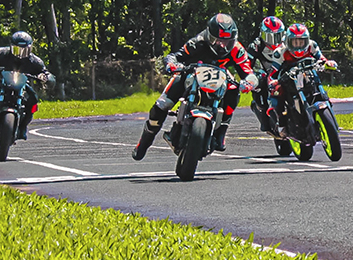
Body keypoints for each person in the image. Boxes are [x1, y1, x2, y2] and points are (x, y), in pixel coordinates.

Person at [132, 13, 258, 159]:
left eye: (227, 42)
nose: (222, 45)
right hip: (192, 74)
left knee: (234, 89)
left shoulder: (237, 49)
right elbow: (176, 55)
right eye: (217, 41)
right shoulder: (198, 42)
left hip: (220, 79)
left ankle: (221, 130)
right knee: (161, 105)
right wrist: (172, 64)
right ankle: (143, 144)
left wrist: (249, 82)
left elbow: (248, 71)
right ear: (209, 36)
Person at [266, 23, 338, 136]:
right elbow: (273, 73)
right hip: (288, 77)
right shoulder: (280, 52)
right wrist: (273, 81)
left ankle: (328, 113)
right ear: (288, 42)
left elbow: (321, 58)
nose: (298, 45)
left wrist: (328, 63)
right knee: (276, 94)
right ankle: (281, 123)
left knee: (317, 83)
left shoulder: (312, 45)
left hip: (307, 73)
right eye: (295, 42)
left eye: (301, 42)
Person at [246, 16, 287, 132]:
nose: (274, 41)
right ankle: (264, 117)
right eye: (270, 37)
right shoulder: (256, 46)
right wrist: (250, 76)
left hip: (284, 70)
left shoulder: (288, 42)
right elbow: (246, 64)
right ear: (262, 35)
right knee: (259, 84)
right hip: (266, 72)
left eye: (277, 36)